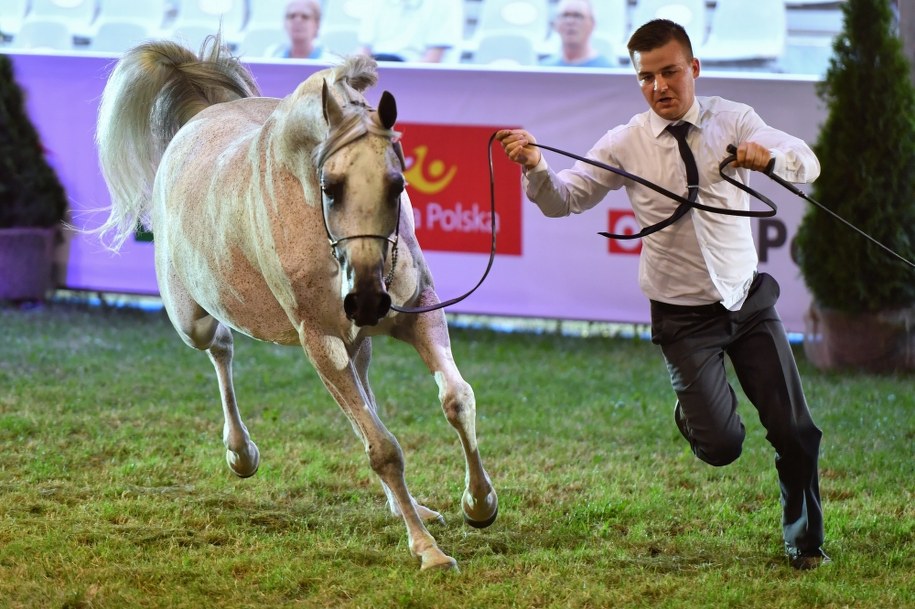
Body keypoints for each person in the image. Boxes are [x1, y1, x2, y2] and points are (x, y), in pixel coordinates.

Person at [497, 19, 829, 570]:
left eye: (670, 72)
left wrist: (766, 158)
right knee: (721, 447)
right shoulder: (625, 141)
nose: (659, 87)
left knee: (795, 430)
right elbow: (562, 200)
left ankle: (804, 540)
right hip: (682, 317)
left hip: (747, 302)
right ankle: (695, 412)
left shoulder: (735, 119)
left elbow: (806, 161)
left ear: (693, 68)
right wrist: (535, 167)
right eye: (646, 78)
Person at [357, 0, 463, 63]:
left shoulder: (445, 3)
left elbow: (434, 59)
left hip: (415, 76)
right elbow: (365, 50)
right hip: (377, 68)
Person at [540, 0, 614, 68]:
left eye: (577, 16)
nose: (570, 21)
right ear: (555, 24)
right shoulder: (543, 70)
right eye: (565, 15)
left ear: (592, 24)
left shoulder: (608, 72)